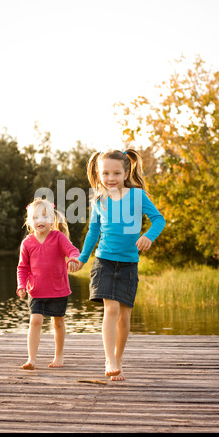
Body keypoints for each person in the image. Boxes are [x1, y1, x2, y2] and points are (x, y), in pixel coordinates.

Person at [77, 149, 165, 381]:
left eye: (116, 172)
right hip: (104, 260)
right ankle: (109, 359)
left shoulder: (137, 196)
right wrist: (83, 258)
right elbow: (93, 230)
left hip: (128, 264)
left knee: (124, 317)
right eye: (105, 173)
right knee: (111, 309)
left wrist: (148, 236)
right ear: (98, 173)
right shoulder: (98, 198)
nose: (111, 178)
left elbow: (159, 219)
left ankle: (118, 357)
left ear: (126, 172)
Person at [17, 198, 80, 371]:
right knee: (35, 320)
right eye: (36, 217)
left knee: (58, 322)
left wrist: (74, 258)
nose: (40, 221)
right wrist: (21, 285)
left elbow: (73, 250)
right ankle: (31, 359)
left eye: (45, 217)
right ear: (30, 221)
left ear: (52, 220)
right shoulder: (27, 243)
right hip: (36, 290)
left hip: (58, 289)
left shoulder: (58, 237)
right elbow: (22, 268)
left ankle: (58, 356)